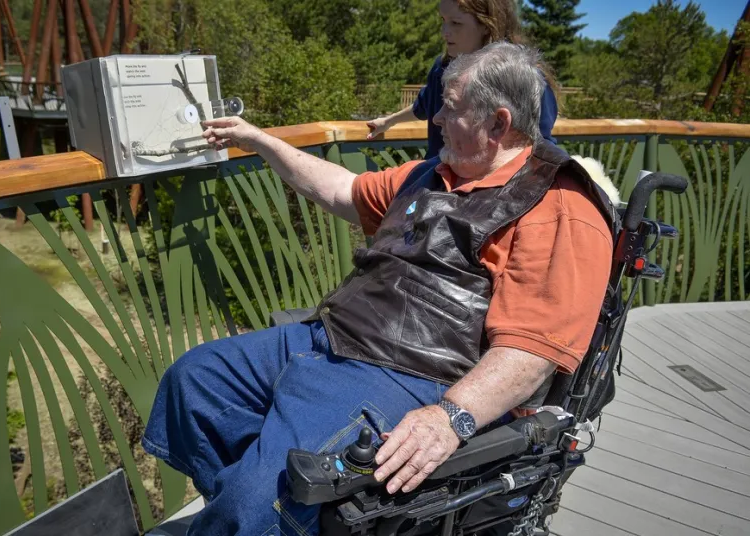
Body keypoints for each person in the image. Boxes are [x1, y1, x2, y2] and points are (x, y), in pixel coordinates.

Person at [142, 43, 616, 536]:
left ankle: (258, 510)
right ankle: (272, 512)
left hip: (412, 374)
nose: (433, 118)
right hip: (329, 337)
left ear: (498, 124)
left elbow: (530, 352)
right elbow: (339, 189)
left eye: (449, 109)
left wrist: (450, 417)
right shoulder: (433, 174)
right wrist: (257, 140)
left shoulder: (558, 206)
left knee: (262, 499)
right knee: (192, 383)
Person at [366, 0, 559, 155]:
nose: (444, 32)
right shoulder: (441, 68)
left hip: (494, 195)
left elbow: (540, 146)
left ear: (486, 24)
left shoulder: (523, 77)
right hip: (439, 184)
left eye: (455, 23)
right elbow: (424, 106)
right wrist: (388, 121)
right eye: (443, 20)